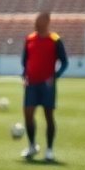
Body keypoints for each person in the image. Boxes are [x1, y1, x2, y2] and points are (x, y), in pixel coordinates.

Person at [20, 10, 69, 161]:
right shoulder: (29, 39)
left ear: (47, 22)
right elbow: (25, 60)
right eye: (36, 20)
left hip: (47, 85)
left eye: (39, 20)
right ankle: (32, 145)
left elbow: (64, 62)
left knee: (48, 116)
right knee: (28, 114)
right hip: (31, 84)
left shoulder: (55, 40)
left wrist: (55, 77)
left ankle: (49, 149)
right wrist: (25, 74)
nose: (36, 23)